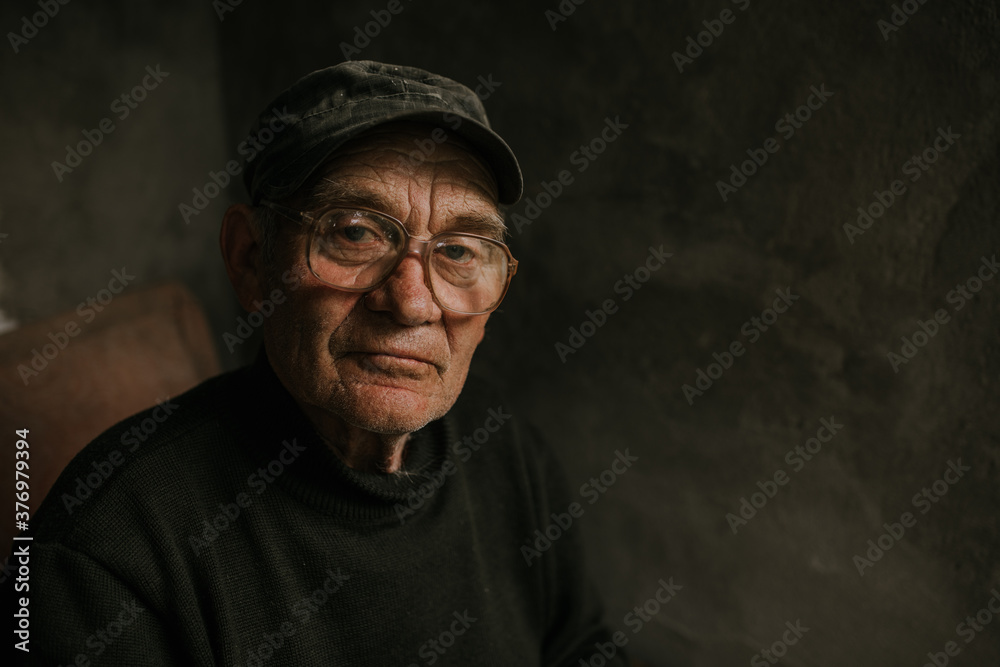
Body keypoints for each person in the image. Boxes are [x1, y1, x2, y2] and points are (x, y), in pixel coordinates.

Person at [8, 61, 627, 666]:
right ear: (251, 260)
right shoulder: (105, 550)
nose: (412, 302)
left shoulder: (507, 454)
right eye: (355, 233)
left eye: (460, 250)